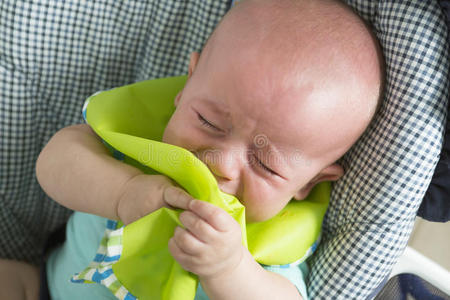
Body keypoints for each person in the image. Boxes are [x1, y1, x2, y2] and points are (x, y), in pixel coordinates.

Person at [35, 0, 384, 299]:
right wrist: (123, 191)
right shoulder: (143, 142)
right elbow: (55, 161)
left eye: (265, 164)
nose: (222, 164)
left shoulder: (268, 245)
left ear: (307, 183)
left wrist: (229, 268)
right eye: (209, 122)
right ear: (187, 85)